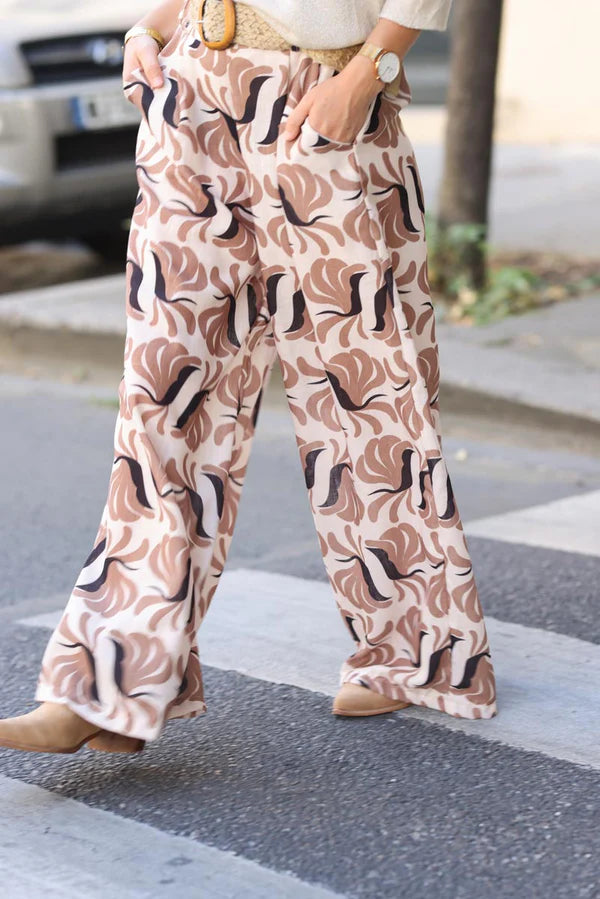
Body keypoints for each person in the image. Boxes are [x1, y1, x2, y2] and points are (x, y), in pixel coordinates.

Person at [0, 0, 497, 755]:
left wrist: (370, 71)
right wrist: (151, 31)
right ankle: (113, 680)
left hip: (322, 98)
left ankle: (415, 648)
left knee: (361, 396)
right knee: (163, 396)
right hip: (195, 99)